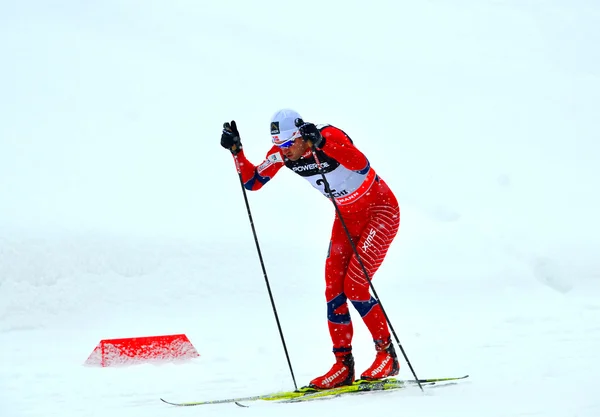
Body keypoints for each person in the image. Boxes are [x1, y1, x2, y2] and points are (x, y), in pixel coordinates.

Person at [220, 109, 401, 389]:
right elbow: (253, 181)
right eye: (279, 145)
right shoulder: (283, 152)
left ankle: (386, 355)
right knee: (333, 288)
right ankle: (343, 365)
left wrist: (322, 144)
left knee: (356, 285)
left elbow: (361, 164)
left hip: (380, 212)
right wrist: (237, 152)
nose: (284, 151)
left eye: (289, 144)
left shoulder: (327, 136)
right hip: (346, 218)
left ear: (303, 136)